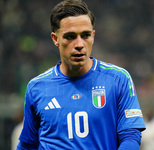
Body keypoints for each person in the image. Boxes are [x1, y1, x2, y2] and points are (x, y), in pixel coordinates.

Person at [17, 0, 146, 149]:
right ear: (55, 39)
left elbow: (130, 136)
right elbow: (27, 144)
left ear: (93, 36)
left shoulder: (118, 79)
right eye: (70, 36)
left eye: (85, 35)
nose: (79, 44)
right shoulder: (37, 87)